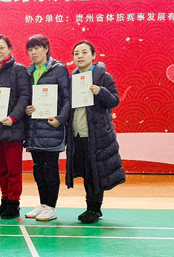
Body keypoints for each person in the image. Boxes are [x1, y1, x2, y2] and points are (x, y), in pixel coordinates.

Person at [66, 40, 125, 224]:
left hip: (97, 135)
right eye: (76, 53)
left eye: (84, 52)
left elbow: (114, 100)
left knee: (95, 173)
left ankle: (94, 208)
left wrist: (100, 91)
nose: (80, 56)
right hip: (78, 134)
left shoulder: (104, 77)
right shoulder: (72, 79)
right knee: (86, 172)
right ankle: (90, 207)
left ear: (93, 55)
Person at [0, 35, 30, 220]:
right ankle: (5, 200)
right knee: (1, 168)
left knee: (13, 169)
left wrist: (13, 117)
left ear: (10, 49)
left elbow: (24, 96)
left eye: (2, 47)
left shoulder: (19, 70)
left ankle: (14, 203)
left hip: (12, 127)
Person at [23, 34, 70, 222]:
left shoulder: (59, 69)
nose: (33, 52)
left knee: (50, 169)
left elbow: (67, 98)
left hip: (51, 128)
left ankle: (51, 207)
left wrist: (60, 119)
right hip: (33, 129)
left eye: (37, 48)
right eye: (30, 49)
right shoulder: (28, 72)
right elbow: (26, 97)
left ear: (46, 48)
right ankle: (43, 204)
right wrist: (26, 109)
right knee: (38, 169)